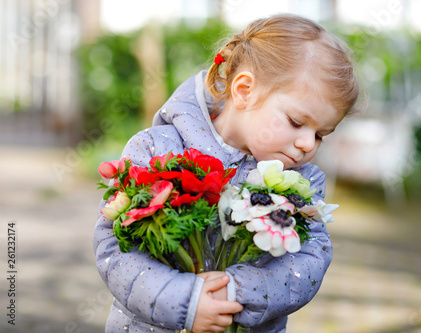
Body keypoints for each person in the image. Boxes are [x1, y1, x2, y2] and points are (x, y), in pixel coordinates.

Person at [93, 13, 358, 333]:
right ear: (245, 90)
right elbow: (116, 246)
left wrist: (237, 292)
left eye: (320, 135)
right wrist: (185, 302)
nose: (306, 145)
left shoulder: (302, 182)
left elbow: (310, 260)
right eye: (297, 122)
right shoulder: (158, 150)